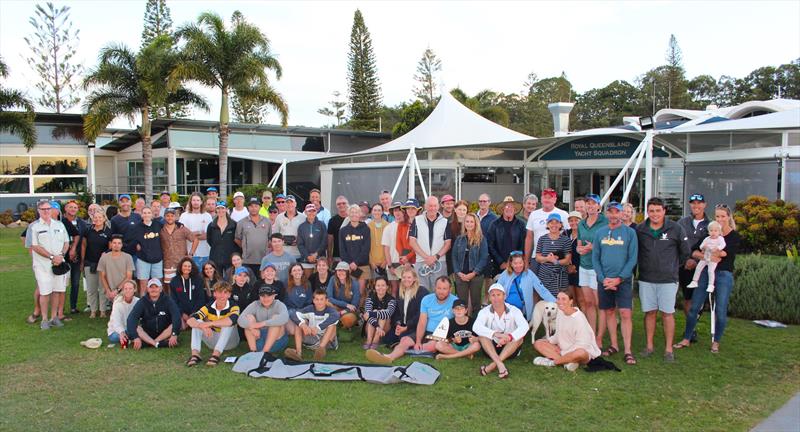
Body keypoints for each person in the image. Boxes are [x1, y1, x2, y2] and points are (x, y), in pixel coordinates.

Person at [676, 204, 740, 354]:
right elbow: (694, 251)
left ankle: (716, 342)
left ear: (728, 217)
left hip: (723, 274)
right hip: (705, 273)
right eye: (717, 216)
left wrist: (709, 254)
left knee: (720, 310)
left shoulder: (734, 236)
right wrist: (705, 255)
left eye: (723, 216)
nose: (720, 219)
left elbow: (723, 256)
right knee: (694, 307)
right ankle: (687, 338)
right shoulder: (710, 233)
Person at [635, 197, 690, 362]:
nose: (654, 214)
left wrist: (671, 266)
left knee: (667, 313)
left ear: (664, 211)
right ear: (647, 211)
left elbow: (685, 252)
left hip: (668, 279)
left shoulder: (676, 228)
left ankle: (668, 350)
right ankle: (649, 346)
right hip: (646, 278)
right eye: (651, 211)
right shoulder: (640, 229)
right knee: (650, 313)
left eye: (658, 210)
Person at [366, 276, 456, 364]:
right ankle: (389, 357)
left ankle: (411, 350)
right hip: (425, 331)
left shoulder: (455, 301)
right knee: (405, 340)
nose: (441, 291)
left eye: (444, 288)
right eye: (439, 288)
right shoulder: (427, 299)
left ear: (450, 289)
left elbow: (459, 321)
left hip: (441, 334)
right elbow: (422, 322)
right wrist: (418, 341)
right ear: (435, 288)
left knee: (431, 345)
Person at [592, 202, 638, 365]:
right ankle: (614, 344)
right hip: (604, 280)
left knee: (625, 313)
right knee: (609, 311)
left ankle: (628, 350)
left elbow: (632, 258)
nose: (613, 215)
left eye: (616, 212)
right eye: (610, 212)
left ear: (621, 214)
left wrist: (619, 278)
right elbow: (595, 257)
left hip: (623, 280)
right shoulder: (600, 233)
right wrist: (603, 277)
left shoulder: (630, 233)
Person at [533, 291, 601, 371]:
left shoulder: (579, 318)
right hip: (563, 349)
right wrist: (549, 341)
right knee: (538, 343)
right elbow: (558, 334)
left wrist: (564, 352)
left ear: (571, 301)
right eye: (558, 299)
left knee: (580, 352)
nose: (560, 302)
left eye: (564, 299)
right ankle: (568, 362)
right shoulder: (560, 313)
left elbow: (583, 344)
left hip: (580, 350)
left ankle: (552, 362)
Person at [29, 199, 70, 330]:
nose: (47, 211)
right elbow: (35, 246)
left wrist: (61, 256)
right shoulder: (34, 227)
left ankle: (54, 318)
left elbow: (66, 242)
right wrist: (52, 257)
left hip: (59, 264)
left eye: (48, 209)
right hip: (43, 266)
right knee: (45, 292)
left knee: (57, 291)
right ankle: (44, 319)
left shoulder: (59, 225)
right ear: (39, 211)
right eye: (44, 209)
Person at [473, 283, 528, 379]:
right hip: (491, 348)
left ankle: (491, 366)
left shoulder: (514, 310)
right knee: (482, 336)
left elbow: (525, 326)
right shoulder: (484, 311)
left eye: (499, 295)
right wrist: (495, 334)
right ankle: (500, 365)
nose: (496, 298)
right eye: (493, 295)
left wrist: (509, 337)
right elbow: (476, 327)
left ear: (504, 296)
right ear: (489, 297)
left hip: (510, 347)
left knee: (519, 338)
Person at [677, 193, 710, 341]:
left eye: (699, 203)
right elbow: (677, 243)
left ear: (704, 205)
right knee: (688, 298)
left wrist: (695, 261)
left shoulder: (711, 224)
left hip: (703, 266)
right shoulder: (682, 222)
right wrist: (686, 260)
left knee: (700, 300)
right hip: (684, 266)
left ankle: (692, 326)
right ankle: (691, 329)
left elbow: (711, 246)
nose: (696, 206)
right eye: (693, 203)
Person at [575, 194, 607, 341]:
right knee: (588, 302)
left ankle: (600, 337)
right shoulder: (581, 223)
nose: (590, 206)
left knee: (599, 303)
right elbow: (579, 244)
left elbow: (608, 243)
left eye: (594, 203)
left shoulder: (605, 222)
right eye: (588, 203)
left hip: (598, 267)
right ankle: (591, 334)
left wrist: (593, 247)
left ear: (599, 206)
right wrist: (579, 249)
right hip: (584, 266)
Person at [185, 281, 241, 367]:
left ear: (229, 295)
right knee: (197, 321)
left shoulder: (234, 306)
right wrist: (202, 326)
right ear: (214, 293)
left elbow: (231, 321)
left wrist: (209, 324)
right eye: (219, 292)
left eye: (225, 292)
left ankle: (216, 355)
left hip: (231, 342)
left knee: (228, 324)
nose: (222, 295)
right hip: (213, 340)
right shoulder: (209, 306)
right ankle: (195, 354)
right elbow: (190, 320)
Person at [497, 251, 556, 321]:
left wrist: (555, 301)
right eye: (515, 263)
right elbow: (497, 290)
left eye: (520, 263)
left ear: (524, 263)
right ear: (511, 264)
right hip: (507, 311)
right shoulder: (505, 274)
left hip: (523, 312)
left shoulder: (529, 274)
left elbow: (542, 290)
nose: (518, 266)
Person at [379, 267, 429, 348]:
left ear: (415, 278)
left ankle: (404, 343)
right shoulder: (400, 290)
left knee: (402, 338)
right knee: (386, 339)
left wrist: (407, 327)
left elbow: (420, 314)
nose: (406, 280)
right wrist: (398, 324)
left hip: (416, 326)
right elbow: (397, 310)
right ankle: (399, 342)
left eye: (409, 277)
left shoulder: (422, 291)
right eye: (404, 277)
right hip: (403, 324)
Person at [284, 289, 340, 361]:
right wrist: (303, 325)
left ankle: (320, 351)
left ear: (326, 300)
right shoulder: (310, 308)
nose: (319, 302)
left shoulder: (331, 311)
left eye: (322, 299)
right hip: (313, 338)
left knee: (332, 325)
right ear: (313, 300)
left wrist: (318, 328)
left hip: (327, 342)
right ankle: (298, 353)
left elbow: (336, 316)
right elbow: (294, 314)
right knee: (299, 324)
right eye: (317, 299)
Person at [409, 196, 451, 289]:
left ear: (438, 206)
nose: (432, 208)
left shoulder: (445, 222)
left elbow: (447, 243)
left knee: (440, 291)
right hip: (422, 261)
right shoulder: (417, 220)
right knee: (421, 291)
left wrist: (435, 257)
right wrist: (426, 257)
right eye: (430, 205)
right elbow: (412, 241)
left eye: (434, 205)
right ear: (425, 206)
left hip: (439, 261)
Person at [126, 278, 181, 349]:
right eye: (151, 287)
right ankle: (157, 344)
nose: (153, 289)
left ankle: (152, 343)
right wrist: (135, 337)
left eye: (156, 287)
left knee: (173, 325)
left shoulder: (168, 300)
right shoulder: (142, 301)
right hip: (148, 333)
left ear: (161, 289)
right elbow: (131, 319)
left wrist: (174, 334)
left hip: (164, 333)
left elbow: (176, 316)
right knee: (137, 328)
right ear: (148, 289)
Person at [452, 213, 488, 315]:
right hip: (461, 276)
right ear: (464, 223)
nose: (469, 224)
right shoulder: (459, 239)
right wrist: (458, 273)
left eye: (471, 221)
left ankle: (476, 325)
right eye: (467, 221)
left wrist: (474, 273)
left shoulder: (481, 239)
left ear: (476, 223)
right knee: (462, 303)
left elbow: (484, 258)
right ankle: (463, 325)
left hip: (476, 276)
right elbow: (454, 257)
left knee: (476, 303)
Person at [524, 188, 569, 270]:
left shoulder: (564, 214)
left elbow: (569, 237)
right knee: (536, 282)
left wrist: (569, 260)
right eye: (545, 197)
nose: (547, 200)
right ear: (541, 199)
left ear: (555, 199)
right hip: (537, 257)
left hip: (557, 258)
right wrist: (526, 260)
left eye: (550, 197)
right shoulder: (534, 214)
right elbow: (529, 238)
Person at [238, 284, 290, 353]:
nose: (265, 299)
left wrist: (261, 324)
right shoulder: (255, 304)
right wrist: (251, 327)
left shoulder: (279, 304)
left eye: (268, 296)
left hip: (277, 340)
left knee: (276, 318)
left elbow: (285, 317)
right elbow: (240, 319)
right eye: (262, 296)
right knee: (249, 317)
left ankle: (265, 352)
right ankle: (253, 351)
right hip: (259, 338)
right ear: (259, 296)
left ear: (274, 296)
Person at [81, 209, 111, 318]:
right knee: (91, 288)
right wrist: (83, 261)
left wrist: (106, 253)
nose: (97, 219)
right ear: (92, 219)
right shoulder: (87, 231)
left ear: (104, 219)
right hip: (90, 263)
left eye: (100, 217)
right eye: (95, 217)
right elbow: (84, 246)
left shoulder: (108, 231)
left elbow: (110, 247)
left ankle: (103, 310)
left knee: (103, 288)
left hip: (103, 264)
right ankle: (93, 310)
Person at [534, 214, 572, 297]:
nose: (554, 225)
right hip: (544, 276)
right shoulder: (542, 239)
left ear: (560, 225)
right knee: (545, 302)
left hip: (560, 277)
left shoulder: (566, 240)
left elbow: (567, 260)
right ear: (547, 224)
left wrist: (556, 261)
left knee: (560, 302)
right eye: (551, 222)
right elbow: (537, 258)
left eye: (556, 222)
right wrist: (548, 259)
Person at [487, 196, 526, 278]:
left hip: (517, 265)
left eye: (512, 206)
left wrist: (516, 261)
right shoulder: (494, 225)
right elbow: (490, 245)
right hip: (498, 266)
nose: (509, 209)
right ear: (502, 209)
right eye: (507, 206)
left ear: (515, 210)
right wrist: (501, 262)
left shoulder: (521, 225)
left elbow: (523, 245)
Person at [339, 204, 371, 300]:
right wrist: (350, 263)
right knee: (350, 291)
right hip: (348, 266)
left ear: (360, 214)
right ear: (348, 214)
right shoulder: (343, 231)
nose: (354, 214)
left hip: (362, 265)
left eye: (356, 212)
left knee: (361, 291)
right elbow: (342, 249)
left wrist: (356, 263)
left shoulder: (365, 229)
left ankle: (358, 313)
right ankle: (350, 312)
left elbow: (366, 248)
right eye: (351, 212)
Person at [235, 197, 272, 276]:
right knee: (249, 282)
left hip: (263, 259)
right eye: (251, 206)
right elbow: (237, 239)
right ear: (248, 207)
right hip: (247, 260)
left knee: (262, 282)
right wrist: (246, 247)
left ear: (259, 207)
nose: (253, 208)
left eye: (256, 206)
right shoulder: (241, 222)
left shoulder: (267, 221)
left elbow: (270, 238)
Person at [62, 200, 88, 315]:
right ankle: (60, 308)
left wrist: (82, 260)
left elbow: (83, 241)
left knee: (76, 283)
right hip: (62, 257)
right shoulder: (60, 222)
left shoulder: (82, 223)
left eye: (75, 207)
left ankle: (73, 306)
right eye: (70, 207)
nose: (73, 209)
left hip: (76, 257)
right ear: (66, 209)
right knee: (61, 283)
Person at [160, 206, 197, 284]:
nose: (170, 218)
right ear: (164, 217)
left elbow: (195, 240)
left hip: (181, 262)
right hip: (167, 263)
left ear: (175, 217)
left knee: (182, 283)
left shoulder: (182, 229)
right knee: (169, 285)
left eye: (172, 216)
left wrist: (191, 254)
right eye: (167, 216)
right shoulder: (160, 229)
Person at [169, 257, 207, 330]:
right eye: (185, 266)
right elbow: (173, 301)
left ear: (192, 267)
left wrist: (194, 313)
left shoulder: (198, 280)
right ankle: (186, 322)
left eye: (189, 266)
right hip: (181, 312)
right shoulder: (174, 281)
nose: (187, 268)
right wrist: (182, 314)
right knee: (183, 327)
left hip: (195, 311)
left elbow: (201, 298)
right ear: (181, 267)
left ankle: (192, 321)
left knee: (198, 323)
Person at [132, 207, 164, 294]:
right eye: (144, 213)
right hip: (143, 259)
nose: (146, 215)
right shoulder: (137, 227)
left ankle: (158, 304)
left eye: (149, 213)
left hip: (157, 259)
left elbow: (170, 224)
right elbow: (132, 240)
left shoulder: (158, 224)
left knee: (158, 283)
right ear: (141, 215)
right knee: (143, 284)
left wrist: (178, 223)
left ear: (152, 214)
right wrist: (136, 244)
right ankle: (143, 304)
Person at [98, 235, 135, 306]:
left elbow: (129, 277)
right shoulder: (104, 258)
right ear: (111, 244)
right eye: (114, 243)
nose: (116, 245)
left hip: (123, 289)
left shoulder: (128, 257)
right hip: (109, 289)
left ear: (122, 245)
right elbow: (102, 276)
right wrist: (108, 290)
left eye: (119, 243)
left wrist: (116, 291)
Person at [381, 202, 408, 296]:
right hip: (393, 263)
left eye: (400, 210)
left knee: (406, 289)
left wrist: (407, 263)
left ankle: (405, 310)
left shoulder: (409, 226)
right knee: (394, 289)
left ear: (404, 211)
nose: (398, 212)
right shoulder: (388, 228)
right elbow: (386, 249)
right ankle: (393, 310)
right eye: (395, 210)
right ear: (393, 212)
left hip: (406, 263)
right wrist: (389, 266)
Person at [180, 192, 213, 268]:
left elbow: (207, 235)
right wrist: (198, 233)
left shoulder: (207, 216)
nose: (195, 202)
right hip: (189, 253)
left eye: (198, 200)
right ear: (190, 202)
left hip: (204, 252)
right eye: (194, 200)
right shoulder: (184, 216)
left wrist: (191, 235)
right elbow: (182, 234)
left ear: (201, 202)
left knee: (204, 277)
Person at [362, 276, 396, 349]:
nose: (380, 288)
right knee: (374, 313)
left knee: (382, 313)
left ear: (387, 287)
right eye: (378, 285)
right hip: (371, 328)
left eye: (383, 285)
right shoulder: (370, 298)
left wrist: (372, 313)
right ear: (375, 287)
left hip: (385, 329)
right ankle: (369, 340)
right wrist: (377, 327)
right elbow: (366, 316)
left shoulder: (391, 300)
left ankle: (375, 340)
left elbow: (388, 313)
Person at [297, 203, 327, 278]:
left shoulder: (322, 225)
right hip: (306, 260)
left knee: (320, 281)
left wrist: (316, 254)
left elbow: (324, 242)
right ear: (306, 212)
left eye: (313, 211)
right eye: (309, 211)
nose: (311, 213)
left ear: (316, 212)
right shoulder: (301, 227)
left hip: (320, 259)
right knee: (308, 282)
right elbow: (300, 244)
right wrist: (308, 256)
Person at [109, 194, 142, 263]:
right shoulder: (114, 219)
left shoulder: (138, 217)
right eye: (122, 201)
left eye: (127, 201)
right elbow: (113, 237)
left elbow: (142, 232)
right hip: (122, 253)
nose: (125, 203)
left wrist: (140, 243)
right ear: (119, 203)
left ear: (130, 203)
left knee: (136, 274)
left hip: (136, 253)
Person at [328, 261, 361, 329]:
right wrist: (346, 304)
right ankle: (337, 321)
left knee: (348, 320)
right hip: (336, 307)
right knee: (325, 303)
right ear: (336, 271)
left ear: (348, 272)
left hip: (348, 311)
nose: (341, 272)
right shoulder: (332, 279)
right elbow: (329, 297)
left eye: (344, 270)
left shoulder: (355, 283)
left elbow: (354, 306)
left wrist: (343, 311)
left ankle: (338, 321)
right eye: (339, 270)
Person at [207, 202, 237, 275]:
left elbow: (236, 240)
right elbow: (209, 240)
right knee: (217, 281)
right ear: (216, 210)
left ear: (226, 209)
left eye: (223, 208)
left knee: (230, 280)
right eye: (218, 208)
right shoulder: (211, 226)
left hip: (230, 258)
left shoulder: (234, 225)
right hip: (215, 258)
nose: (220, 210)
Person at [107, 279, 139, 344]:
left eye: (130, 288)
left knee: (140, 330)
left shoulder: (138, 301)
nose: (128, 291)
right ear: (123, 290)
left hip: (132, 328)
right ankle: (132, 338)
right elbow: (116, 322)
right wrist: (121, 332)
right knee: (114, 337)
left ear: (134, 289)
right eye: (126, 289)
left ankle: (131, 338)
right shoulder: (117, 303)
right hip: (116, 331)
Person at [274, 195, 304, 259]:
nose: (289, 204)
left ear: (295, 204)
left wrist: (299, 240)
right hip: (283, 254)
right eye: (287, 202)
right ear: (285, 204)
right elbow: (275, 235)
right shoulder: (279, 217)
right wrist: (282, 241)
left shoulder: (303, 217)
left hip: (299, 253)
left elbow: (306, 235)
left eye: (291, 202)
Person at [445, 200, 468, 275]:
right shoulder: (449, 225)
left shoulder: (470, 225)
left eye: (464, 210)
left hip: (466, 260)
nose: (462, 212)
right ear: (455, 210)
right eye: (460, 209)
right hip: (452, 259)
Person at [367, 203, 388, 280]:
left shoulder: (387, 226)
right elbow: (365, 246)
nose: (377, 212)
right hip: (372, 263)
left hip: (385, 263)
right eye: (375, 210)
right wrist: (371, 261)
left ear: (382, 212)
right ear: (372, 212)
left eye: (379, 210)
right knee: (372, 286)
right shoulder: (367, 226)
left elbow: (390, 245)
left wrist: (386, 260)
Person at [565, 211, 582, 303]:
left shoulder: (584, 234)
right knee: (572, 299)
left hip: (580, 269)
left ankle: (583, 317)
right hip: (568, 269)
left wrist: (575, 267)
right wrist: (568, 265)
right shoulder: (566, 234)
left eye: (576, 220)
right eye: (571, 220)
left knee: (581, 299)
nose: (574, 222)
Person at [327, 196, 349, 264]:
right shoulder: (332, 221)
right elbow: (330, 240)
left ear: (347, 204)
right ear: (336, 206)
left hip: (352, 256)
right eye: (339, 204)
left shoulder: (353, 219)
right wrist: (329, 256)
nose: (341, 205)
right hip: (337, 256)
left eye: (343, 203)